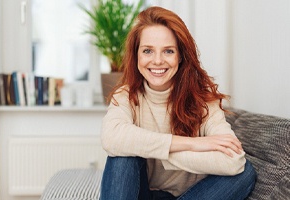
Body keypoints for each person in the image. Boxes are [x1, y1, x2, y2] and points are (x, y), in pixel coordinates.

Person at [100, 6, 256, 200]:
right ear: (136, 55)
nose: (157, 61)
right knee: (123, 155)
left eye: (168, 51)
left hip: (190, 196)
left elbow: (234, 161)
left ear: (180, 56)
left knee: (245, 174)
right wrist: (193, 144)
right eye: (147, 51)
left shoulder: (203, 100)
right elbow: (111, 137)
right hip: (142, 194)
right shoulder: (126, 95)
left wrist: (162, 153)